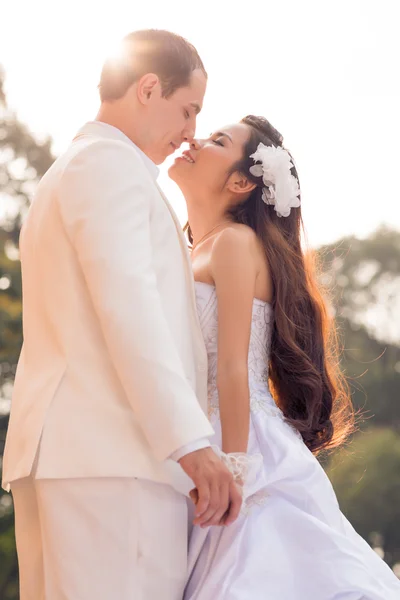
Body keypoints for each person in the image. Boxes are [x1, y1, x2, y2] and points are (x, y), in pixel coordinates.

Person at [2, 30, 242, 600]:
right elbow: (129, 309)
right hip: (113, 460)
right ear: (148, 86)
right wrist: (191, 443)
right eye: (188, 111)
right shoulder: (110, 168)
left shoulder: (76, 168)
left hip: (81, 459)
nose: (190, 132)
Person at [169, 115, 400, 599]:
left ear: (239, 182)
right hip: (195, 432)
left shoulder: (234, 243)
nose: (193, 139)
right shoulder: (192, 248)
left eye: (216, 140)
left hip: (241, 437)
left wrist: (234, 469)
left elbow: (232, 365)